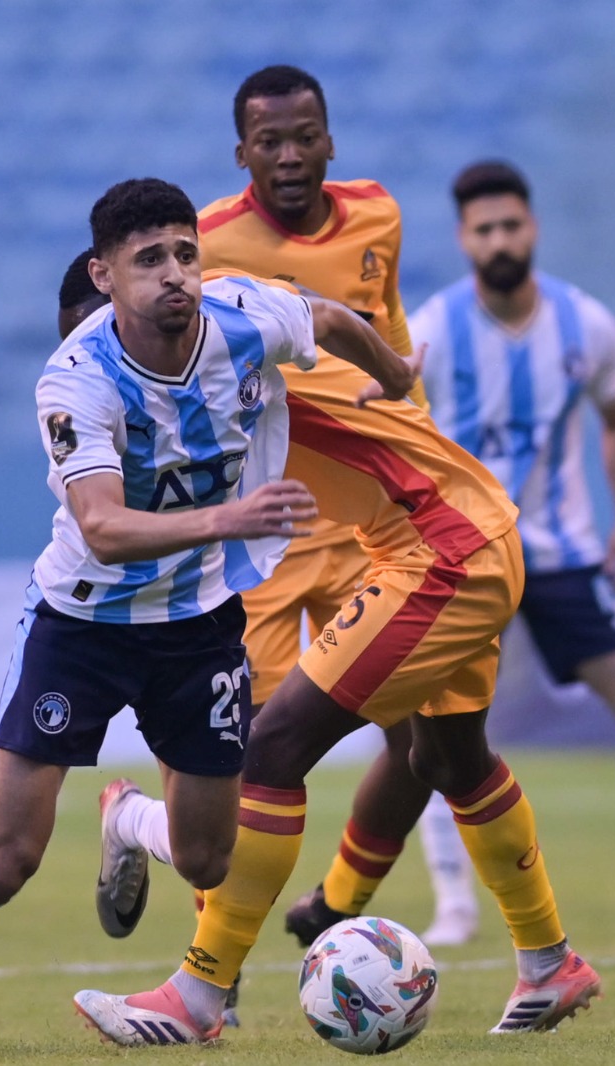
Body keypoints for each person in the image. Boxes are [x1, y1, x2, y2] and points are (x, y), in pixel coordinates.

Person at [0, 177, 418, 1057]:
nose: (175, 275)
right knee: (7, 858)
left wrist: (395, 376)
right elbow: (104, 527)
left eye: (185, 254)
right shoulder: (76, 380)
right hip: (81, 625)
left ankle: (125, 819)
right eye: (149, 259)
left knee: (207, 860)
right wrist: (229, 518)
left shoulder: (245, 317)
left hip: (198, 622)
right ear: (106, 274)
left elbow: (332, 320)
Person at [71, 274, 603, 1046]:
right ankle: (549, 962)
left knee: (272, 750)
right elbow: (325, 320)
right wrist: (392, 370)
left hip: (442, 551)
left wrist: (392, 371)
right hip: (454, 532)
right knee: (450, 760)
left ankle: (198, 997)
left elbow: (320, 319)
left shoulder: (213, 349)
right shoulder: (211, 334)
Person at [303, 159, 615, 946]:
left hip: (559, 555)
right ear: (464, 239)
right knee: (435, 732)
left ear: (533, 227)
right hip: (457, 553)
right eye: (484, 230)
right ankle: (454, 905)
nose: (500, 241)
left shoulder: (587, 325)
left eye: (511, 225)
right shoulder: (435, 329)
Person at [192, 64, 446, 957]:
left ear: (330, 140)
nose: (291, 156)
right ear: (242, 153)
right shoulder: (206, 243)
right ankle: (213, 962)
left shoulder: (378, 213)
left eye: (306, 137)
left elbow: (389, 334)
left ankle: (337, 901)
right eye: (271, 142)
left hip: (371, 530)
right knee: (243, 753)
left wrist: (415, 428)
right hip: (261, 529)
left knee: (426, 740)